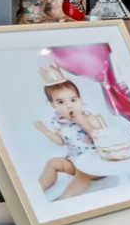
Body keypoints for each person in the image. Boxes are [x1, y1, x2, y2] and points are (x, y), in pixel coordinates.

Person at [34, 72, 107, 201]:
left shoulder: (88, 117)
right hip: (74, 161)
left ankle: (66, 198)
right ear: (53, 106)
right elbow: (61, 141)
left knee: (82, 172)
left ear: (80, 100)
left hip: (97, 163)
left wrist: (80, 120)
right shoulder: (60, 121)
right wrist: (46, 131)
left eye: (73, 100)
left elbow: (101, 137)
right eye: (61, 102)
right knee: (53, 162)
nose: (69, 105)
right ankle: (36, 190)